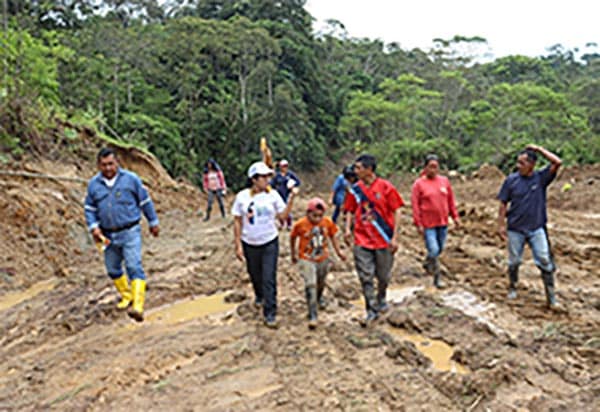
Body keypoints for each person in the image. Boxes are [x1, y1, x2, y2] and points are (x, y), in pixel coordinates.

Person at [84, 147, 159, 322]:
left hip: (130, 231)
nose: (108, 168)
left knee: (133, 266)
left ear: (117, 162)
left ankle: (138, 306)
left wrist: (153, 221)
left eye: (111, 164)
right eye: (104, 165)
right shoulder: (94, 185)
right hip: (107, 235)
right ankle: (127, 295)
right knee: (112, 269)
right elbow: (89, 208)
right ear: (98, 165)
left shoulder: (131, 180)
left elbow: (145, 202)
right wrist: (93, 226)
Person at [232, 161, 297, 328]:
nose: (267, 180)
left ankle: (270, 312)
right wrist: (238, 245)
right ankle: (259, 296)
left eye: (268, 176)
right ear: (254, 179)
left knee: (269, 277)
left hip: (269, 241)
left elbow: (282, 217)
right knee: (255, 275)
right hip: (250, 242)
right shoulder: (242, 197)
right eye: (263, 177)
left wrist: (291, 199)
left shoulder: (273, 195)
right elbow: (238, 221)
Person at [497, 144, 562, 308]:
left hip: (536, 227)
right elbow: (503, 203)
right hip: (515, 228)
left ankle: (551, 295)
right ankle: (513, 285)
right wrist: (500, 225)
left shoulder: (540, 178)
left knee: (544, 259)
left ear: (532, 164)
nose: (519, 166)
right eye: (518, 163)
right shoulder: (511, 180)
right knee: (514, 262)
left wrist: (539, 149)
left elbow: (557, 162)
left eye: (522, 163)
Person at [344, 154, 404, 325]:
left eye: (358, 168)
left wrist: (395, 236)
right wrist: (348, 229)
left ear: (368, 170)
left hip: (383, 238)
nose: (355, 171)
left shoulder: (386, 188)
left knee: (383, 276)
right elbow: (349, 210)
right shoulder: (355, 190)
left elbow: (397, 210)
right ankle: (371, 309)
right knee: (365, 276)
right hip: (362, 239)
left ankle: (381, 297)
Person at [290, 198, 347, 329]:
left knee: (320, 282)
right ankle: (312, 315)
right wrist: (293, 254)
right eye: (314, 216)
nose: (316, 219)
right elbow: (293, 237)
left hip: (322, 257)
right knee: (311, 284)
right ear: (307, 213)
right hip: (306, 258)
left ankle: (318, 298)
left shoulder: (327, 222)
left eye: (319, 216)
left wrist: (339, 252)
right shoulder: (300, 224)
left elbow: (333, 236)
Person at [411, 154, 461, 289]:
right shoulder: (419, 184)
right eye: (430, 167)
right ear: (425, 168)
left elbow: (450, 200)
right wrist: (418, 223)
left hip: (442, 222)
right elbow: (415, 205)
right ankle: (437, 278)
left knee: (439, 249)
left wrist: (455, 217)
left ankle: (428, 262)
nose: (433, 170)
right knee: (434, 250)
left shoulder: (444, 181)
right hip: (428, 223)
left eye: (436, 167)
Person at [270, 159, 301, 230]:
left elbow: (298, 182)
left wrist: (292, 185)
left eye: (286, 166)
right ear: (280, 167)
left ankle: (289, 224)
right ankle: (281, 224)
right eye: (283, 166)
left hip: (287, 194)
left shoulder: (290, 174)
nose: (285, 168)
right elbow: (272, 184)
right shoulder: (277, 175)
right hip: (279, 194)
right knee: (279, 210)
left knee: (287, 209)